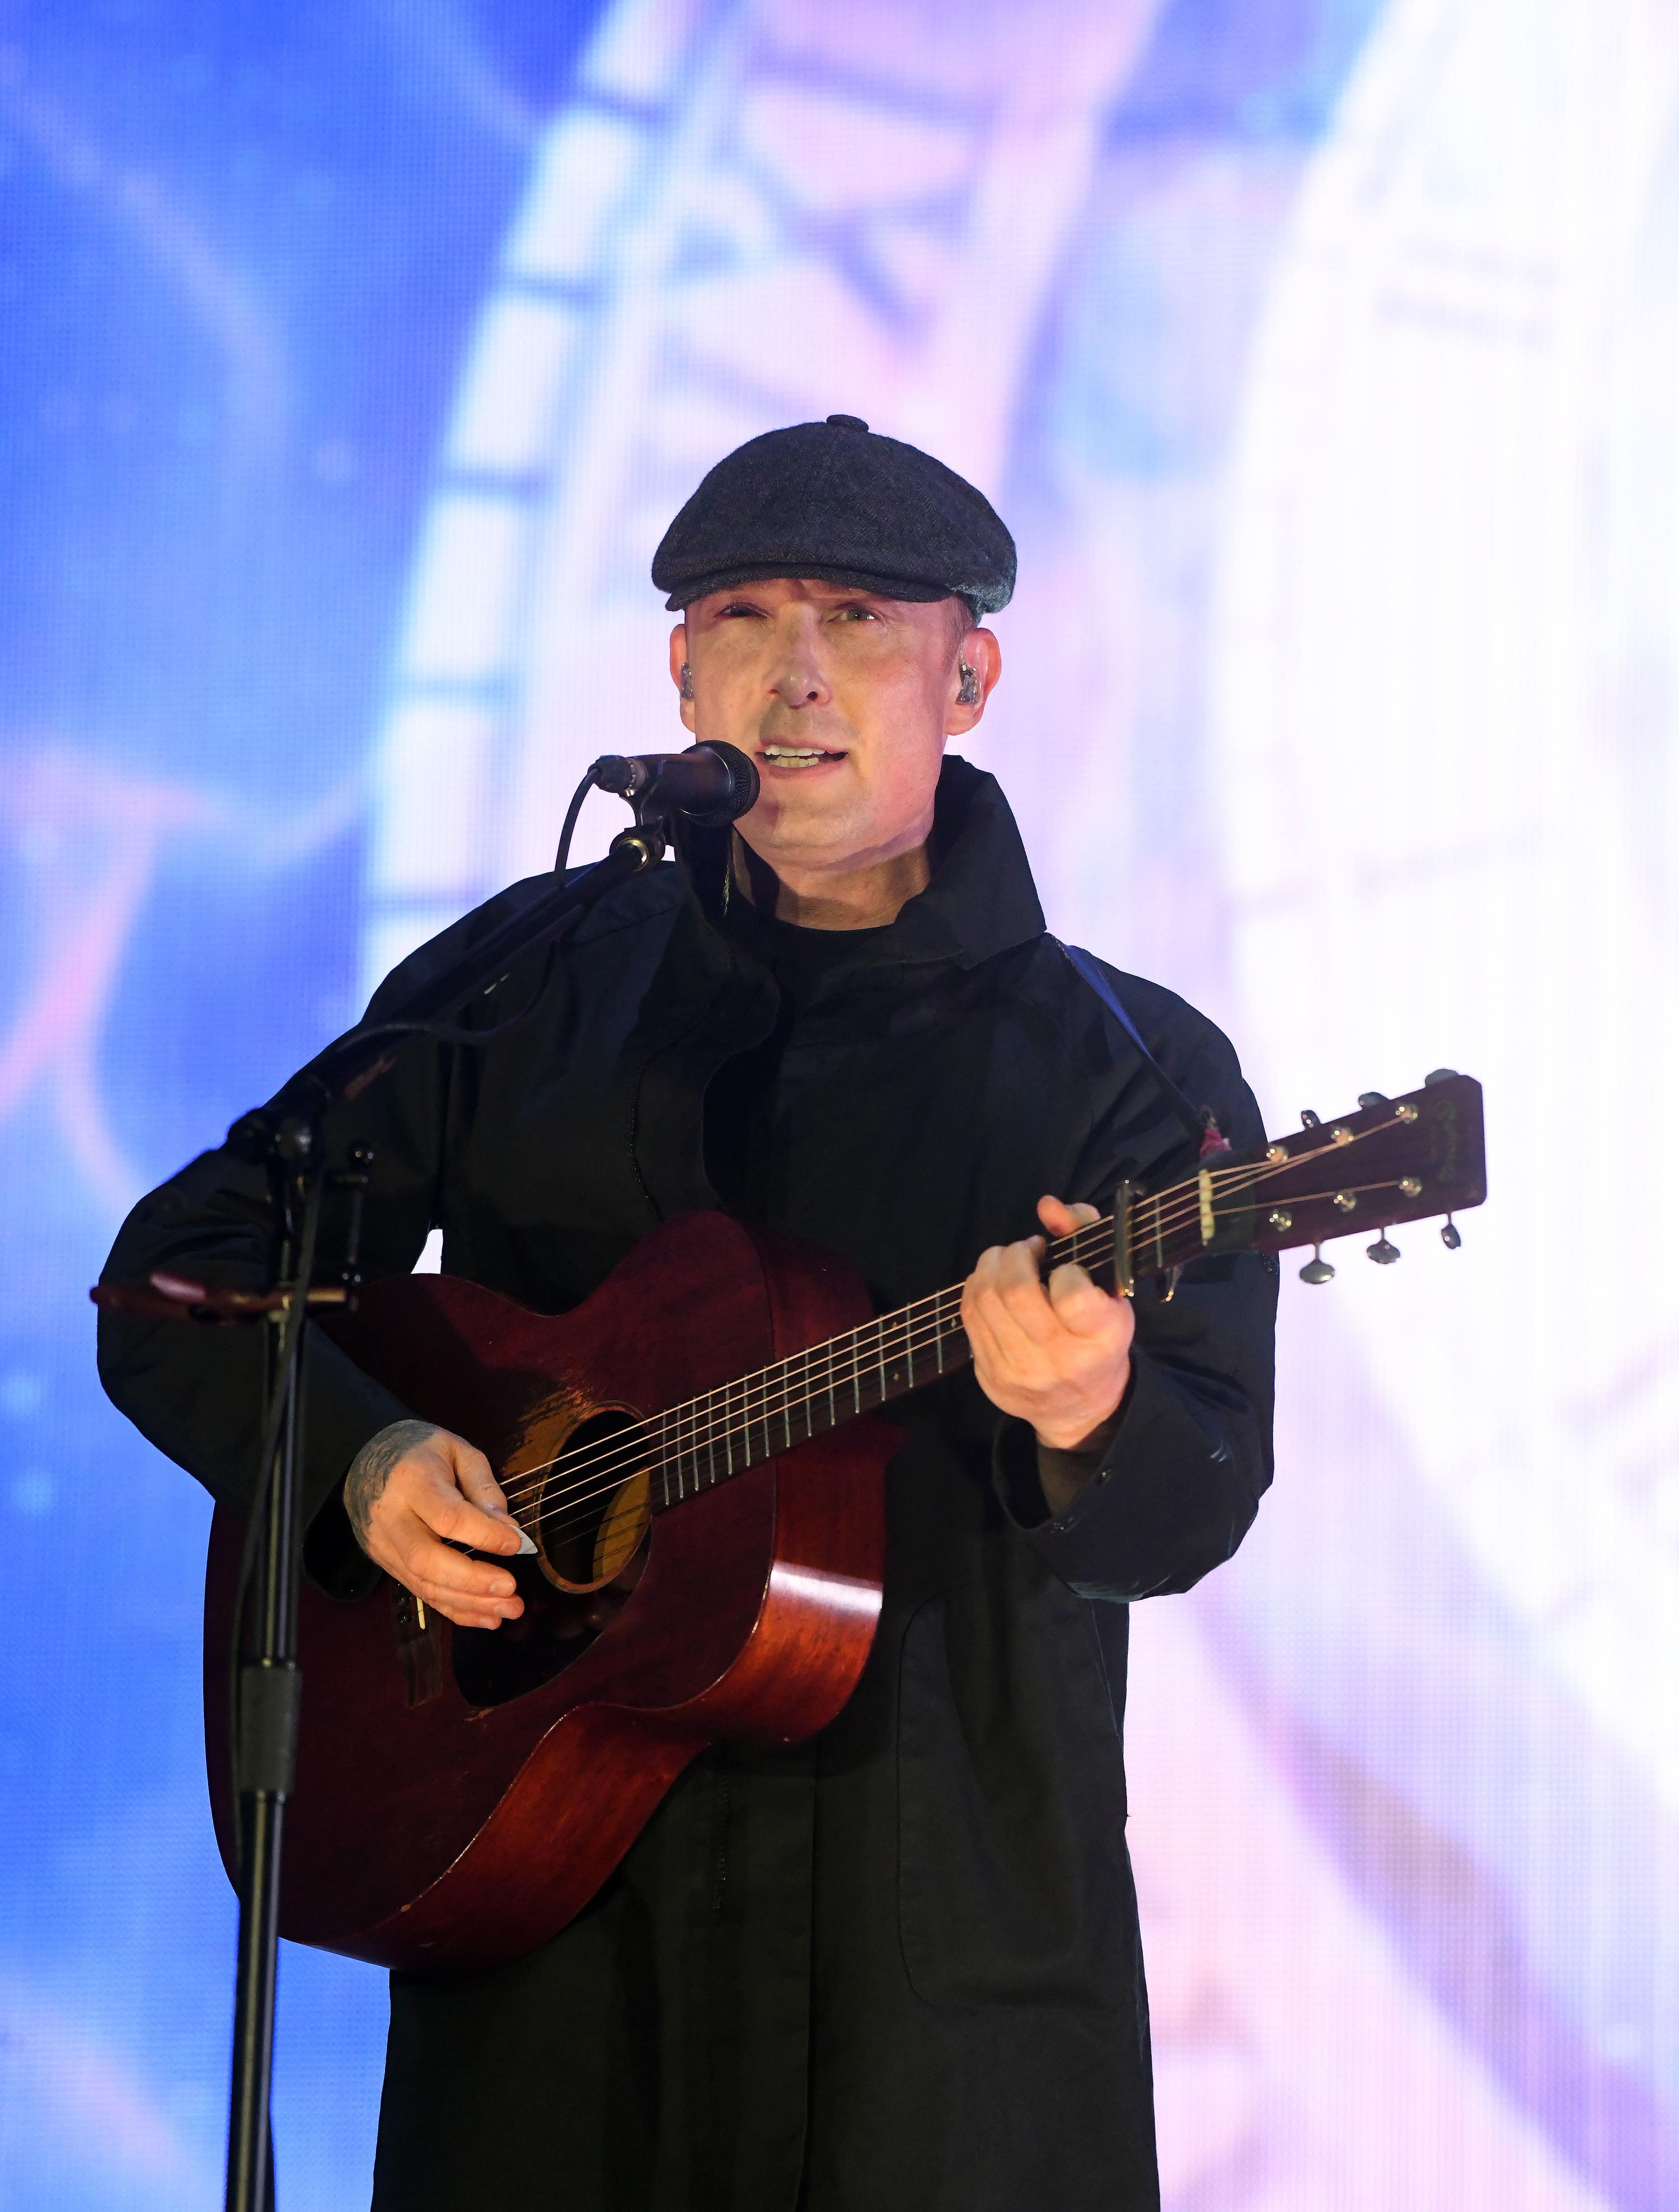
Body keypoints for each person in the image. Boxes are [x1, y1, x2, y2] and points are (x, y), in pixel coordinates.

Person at [99, 415, 1278, 2211]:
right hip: (552, 1984)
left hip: (936, 2019)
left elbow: (1193, 1499)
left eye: (861, 620)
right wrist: (360, 1454)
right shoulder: (525, 986)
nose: (795, 678)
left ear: (971, 674)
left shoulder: (1129, 1076)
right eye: (741, 617)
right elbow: (180, 1278)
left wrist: (1085, 1412)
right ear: (676, 667)